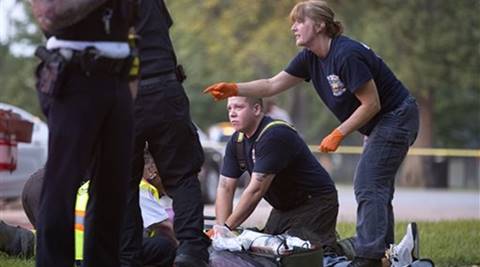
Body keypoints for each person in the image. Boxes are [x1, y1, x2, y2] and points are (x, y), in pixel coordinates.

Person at [204, 1, 419, 266]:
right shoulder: (310, 58)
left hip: (396, 116)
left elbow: (372, 104)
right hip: (379, 122)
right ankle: (388, 253)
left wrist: (338, 133)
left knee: (367, 183)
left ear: (319, 25)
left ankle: (369, 258)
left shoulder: (345, 54)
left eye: (299, 21)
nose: (293, 27)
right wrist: (236, 88)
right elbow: (272, 85)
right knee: (376, 186)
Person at [30, 1, 138, 266]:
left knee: (113, 193)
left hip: (119, 81)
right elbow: (47, 16)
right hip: (74, 77)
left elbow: (133, 32)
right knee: (63, 184)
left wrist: (129, 93)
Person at [122, 1, 210, 266]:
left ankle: (128, 257)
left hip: (124, 95)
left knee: (124, 184)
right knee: (182, 177)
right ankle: (191, 252)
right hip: (164, 88)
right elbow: (162, 27)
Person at [211, 96, 341, 256]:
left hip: (315, 202)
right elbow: (225, 186)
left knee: (303, 254)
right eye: (229, 109)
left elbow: (255, 190)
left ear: (257, 109)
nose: (232, 113)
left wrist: (227, 228)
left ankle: (349, 251)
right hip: (283, 207)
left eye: (238, 107)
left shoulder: (274, 135)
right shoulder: (237, 141)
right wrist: (220, 233)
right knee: (267, 251)